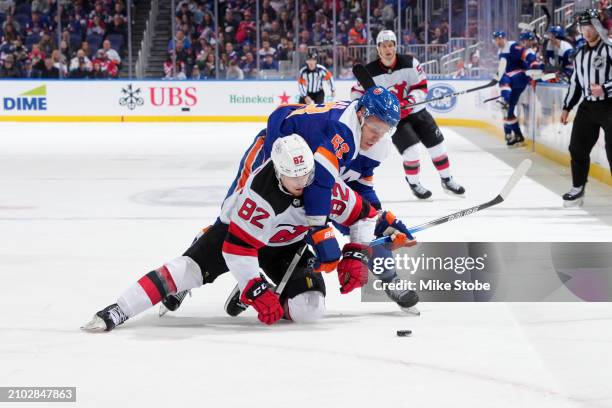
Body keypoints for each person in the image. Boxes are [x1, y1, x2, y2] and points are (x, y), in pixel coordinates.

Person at [82, 135, 382, 331]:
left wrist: (357, 252)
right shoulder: (260, 196)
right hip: (234, 237)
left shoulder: (322, 182)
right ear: (278, 172)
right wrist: (254, 287)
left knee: (310, 309)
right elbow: (238, 250)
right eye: (294, 178)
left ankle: (267, 284)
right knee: (184, 271)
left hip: (286, 246)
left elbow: (364, 215)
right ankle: (119, 309)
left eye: (307, 175)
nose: (304, 183)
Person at [351, 30, 465, 200]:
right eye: (384, 46)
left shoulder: (410, 63)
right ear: (378, 49)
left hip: (417, 112)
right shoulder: (369, 71)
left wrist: (408, 102)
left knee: (438, 146)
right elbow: (356, 95)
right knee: (412, 151)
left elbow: (421, 87)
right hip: (393, 120)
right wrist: (372, 109)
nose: (388, 49)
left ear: (395, 47)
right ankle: (414, 183)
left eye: (391, 45)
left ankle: (447, 179)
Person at [560, 9, 612, 208]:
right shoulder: (579, 53)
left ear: (598, 27)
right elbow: (575, 83)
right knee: (577, 147)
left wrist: (605, 88)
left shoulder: (609, 48)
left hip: (610, 106)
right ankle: (577, 186)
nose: (587, 30)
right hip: (588, 107)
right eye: (583, 27)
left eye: (590, 26)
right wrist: (567, 107)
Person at [492, 30, 543, 147]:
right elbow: (502, 69)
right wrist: (496, 76)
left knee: (504, 82)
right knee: (507, 110)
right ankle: (516, 135)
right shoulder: (500, 51)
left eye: (499, 39)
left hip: (520, 76)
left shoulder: (513, 46)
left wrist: (534, 64)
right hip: (512, 79)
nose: (498, 41)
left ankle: (505, 100)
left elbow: (526, 54)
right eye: (496, 39)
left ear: (504, 38)